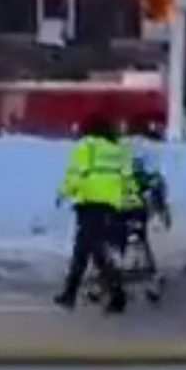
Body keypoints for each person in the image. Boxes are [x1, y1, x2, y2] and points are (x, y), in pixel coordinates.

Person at [53, 113, 134, 314]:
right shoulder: (118, 150)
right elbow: (127, 179)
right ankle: (115, 296)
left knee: (82, 251)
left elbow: (75, 176)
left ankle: (70, 295)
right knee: (99, 253)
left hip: (90, 206)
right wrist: (130, 199)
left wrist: (63, 193)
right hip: (112, 207)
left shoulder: (86, 147)